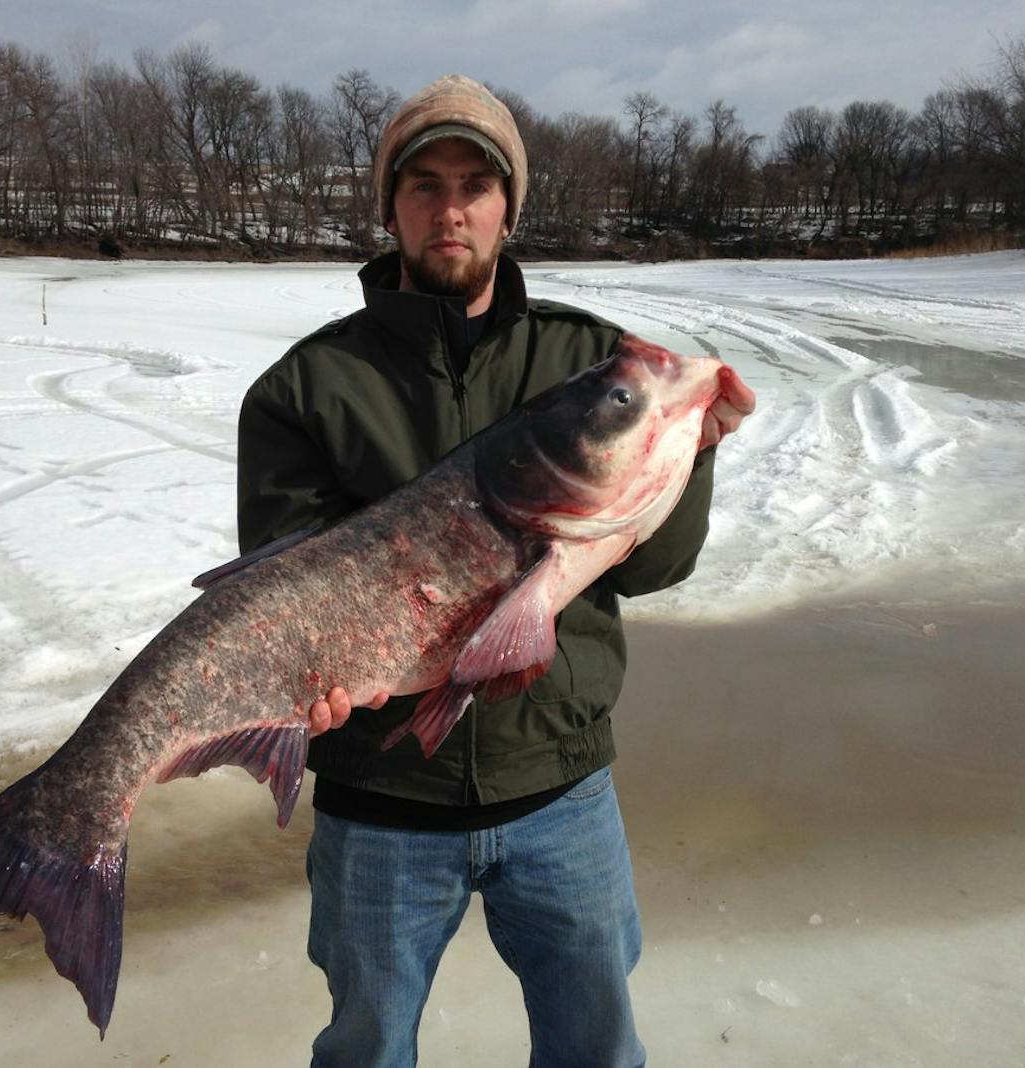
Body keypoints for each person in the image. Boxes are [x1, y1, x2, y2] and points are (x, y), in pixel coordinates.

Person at [236, 74, 752, 1068]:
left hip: (559, 790)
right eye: (422, 184)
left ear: (508, 205)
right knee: (365, 1051)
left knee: (596, 1052)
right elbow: (282, 587)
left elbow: (652, 569)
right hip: (380, 803)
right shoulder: (307, 387)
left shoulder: (586, 359)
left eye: (475, 184)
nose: (450, 208)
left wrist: (693, 450)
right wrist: (306, 681)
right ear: (389, 206)